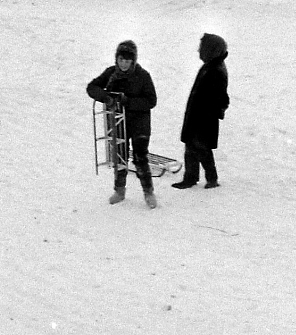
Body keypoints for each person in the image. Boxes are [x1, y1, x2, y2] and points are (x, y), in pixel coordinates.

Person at [87, 40, 158, 208]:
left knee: (141, 157)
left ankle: (148, 192)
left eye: (128, 61)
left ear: (133, 61)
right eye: (121, 60)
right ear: (116, 59)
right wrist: (106, 97)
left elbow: (151, 100)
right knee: (119, 156)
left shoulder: (143, 76)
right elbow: (92, 87)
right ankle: (119, 190)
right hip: (118, 121)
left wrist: (128, 101)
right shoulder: (111, 74)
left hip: (139, 123)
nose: (124, 64)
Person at [172, 33, 230, 190]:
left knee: (202, 149)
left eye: (202, 49)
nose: (199, 51)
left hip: (204, 119)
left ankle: (211, 178)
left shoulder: (216, 70)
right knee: (191, 147)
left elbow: (221, 98)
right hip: (197, 116)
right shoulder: (210, 67)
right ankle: (190, 177)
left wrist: (214, 112)